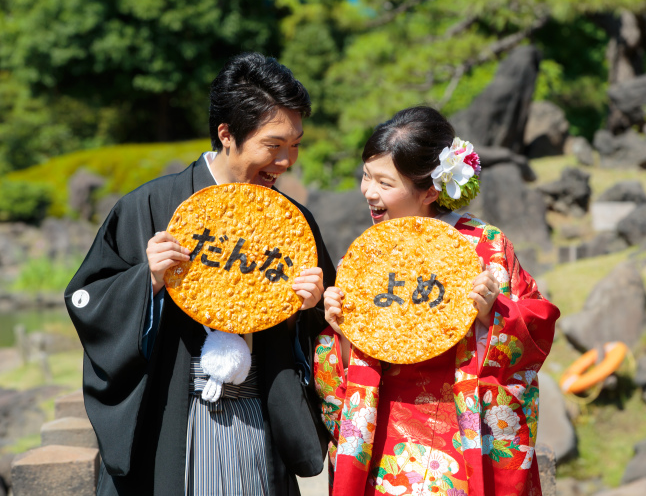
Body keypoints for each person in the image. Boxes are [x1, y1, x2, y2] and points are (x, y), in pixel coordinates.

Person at [65, 52, 336, 496]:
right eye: (273, 145)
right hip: (173, 415)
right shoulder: (152, 206)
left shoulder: (294, 222)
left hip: (258, 417)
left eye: (295, 144)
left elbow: (324, 326)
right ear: (227, 134)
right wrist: (147, 280)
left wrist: (310, 306)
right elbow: (89, 298)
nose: (286, 160)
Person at [314, 106, 560, 496]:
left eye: (384, 183)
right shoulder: (367, 256)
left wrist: (492, 315)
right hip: (385, 438)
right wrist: (340, 329)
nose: (369, 192)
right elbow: (339, 364)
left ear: (430, 190)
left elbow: (535, 326)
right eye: (366, 176)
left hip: (464, 437)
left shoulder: (486, 248)